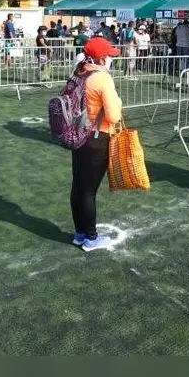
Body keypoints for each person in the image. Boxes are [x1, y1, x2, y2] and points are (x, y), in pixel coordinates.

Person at [67, 37, 123, 252]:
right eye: (109, 55)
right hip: (97, 137)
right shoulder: (102, 78)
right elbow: (114, 115)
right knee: (89, 191)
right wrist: (118, 102)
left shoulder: (79, 72)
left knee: (79, 186)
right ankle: (91, 237)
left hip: (78, 135)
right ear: (101, 58)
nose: (110, 59)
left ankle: (80, 233)